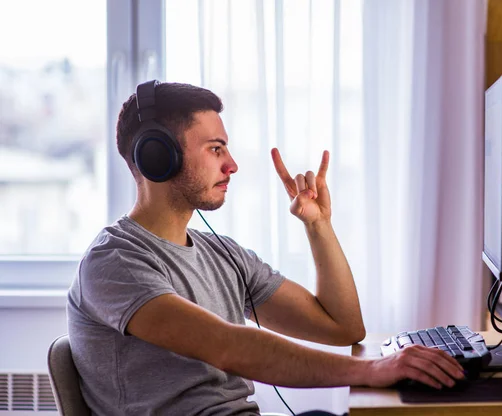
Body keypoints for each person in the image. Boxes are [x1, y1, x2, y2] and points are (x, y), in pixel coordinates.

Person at [67, 81, 465, 416]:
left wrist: (318, 226)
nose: (233, 165)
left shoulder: (222, 255)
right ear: (158, 157)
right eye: (216, 148)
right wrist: (375, 369)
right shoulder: (114, 261)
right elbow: (228, 346)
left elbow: (343, 327)